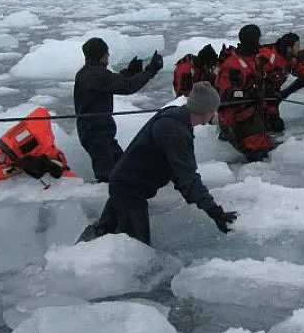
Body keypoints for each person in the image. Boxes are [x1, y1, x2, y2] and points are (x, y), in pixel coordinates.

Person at [77, 82, 237, 246]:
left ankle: (78, 254)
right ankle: (77, 258)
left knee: (102, 233)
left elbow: (178, 171)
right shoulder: (175, 130)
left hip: (124, 185)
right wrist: (215, 212)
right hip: (130, 192)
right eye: (214, 110)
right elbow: (188, 177)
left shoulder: (174, 119)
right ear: (207, 111)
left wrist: (193, 196)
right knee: (139, 250)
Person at [74, 37, 163, 183]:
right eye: (106, 53)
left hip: (97, 132)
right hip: (97, 134)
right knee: (108, 177)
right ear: (101, 55)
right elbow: (128, 87)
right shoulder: (97, 74)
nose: (108, 56)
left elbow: (113, 82)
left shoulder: (87, 73)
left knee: (122, 169)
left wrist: (129, 72)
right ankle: (110, 201)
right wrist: (150, 70)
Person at [215, 24, 276, 161]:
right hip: (236, 119)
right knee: (258, 155)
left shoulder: (254, 59)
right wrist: (248, 95)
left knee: (269, 148)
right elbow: (226, 95)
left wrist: (269, 93)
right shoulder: (233, 65)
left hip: (253, 116)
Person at [255, 32, 304, 132]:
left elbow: (303, 70)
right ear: (289, 48)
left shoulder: (289, 59)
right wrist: (265, 94)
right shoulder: (266, 56)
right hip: (258, 97)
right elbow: (253, 78)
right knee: (262, 128)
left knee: (277, 126)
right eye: (297, 46)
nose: (299, 48)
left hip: (272, 96)